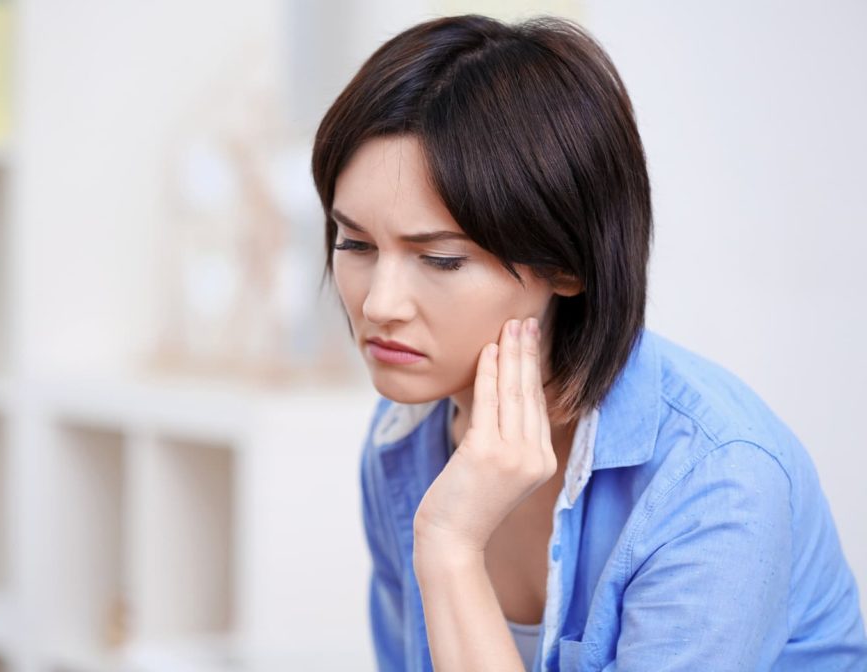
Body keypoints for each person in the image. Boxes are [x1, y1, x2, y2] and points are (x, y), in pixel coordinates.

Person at [309, 13, 867, 672]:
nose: (378, 305)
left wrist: (450, 544)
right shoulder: (402, 439)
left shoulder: (720, 480)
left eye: (443, 259)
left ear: (568, 265)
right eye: (355, 243)